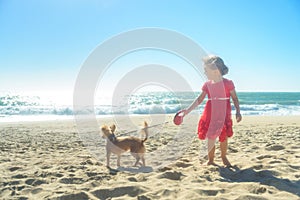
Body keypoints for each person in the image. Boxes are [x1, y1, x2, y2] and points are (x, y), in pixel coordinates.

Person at [183, 55, 242, 167]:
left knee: (223, 136)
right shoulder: (207, 85)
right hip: (210, 113)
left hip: (224, 112)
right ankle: (211, 160)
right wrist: (187, 110)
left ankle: (224, 157)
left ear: (215, 70)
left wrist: (238, 111)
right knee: (211, 137)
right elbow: (199, 99)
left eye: (206, 70)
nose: (204, 73)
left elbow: (234, 98)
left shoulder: (228, 83)